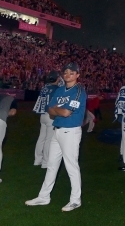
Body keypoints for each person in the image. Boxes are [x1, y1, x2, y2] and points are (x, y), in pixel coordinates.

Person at [25, 62, 87, 212]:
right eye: (66, 72)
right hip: (57, 130)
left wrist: (57, 109)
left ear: (77, 75)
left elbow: (65, 112)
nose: (68, 75)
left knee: (71, 166)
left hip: (70, 132)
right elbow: (50, 111)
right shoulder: (59, 89)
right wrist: (59, 110)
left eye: (72, 73)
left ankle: (75, 200)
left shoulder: (78, 91)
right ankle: (44, 197)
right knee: (52, 165)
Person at [32, 71, 61, 168]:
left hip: (43, 115)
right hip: (50, 115)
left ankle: (37, 160)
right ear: (57, 78)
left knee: (41, 138)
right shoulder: (57, 89)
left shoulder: (45, 87)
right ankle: (45, 162)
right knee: (49, 139)